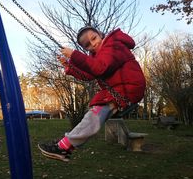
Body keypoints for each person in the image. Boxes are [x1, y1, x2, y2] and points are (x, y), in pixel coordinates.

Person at [38, 26, 146, 162]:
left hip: (129, 87)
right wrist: (70, 67)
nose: (93, 44)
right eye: (88, 45)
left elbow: (100, 68)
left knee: (96, 113)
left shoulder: (114, 45)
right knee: (96, 111)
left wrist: (74, 55)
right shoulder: (97, 56)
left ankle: (64, 146)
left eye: (94, 38)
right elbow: (89, 75)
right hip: (119, 89)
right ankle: (65, 147)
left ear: (100, 34)